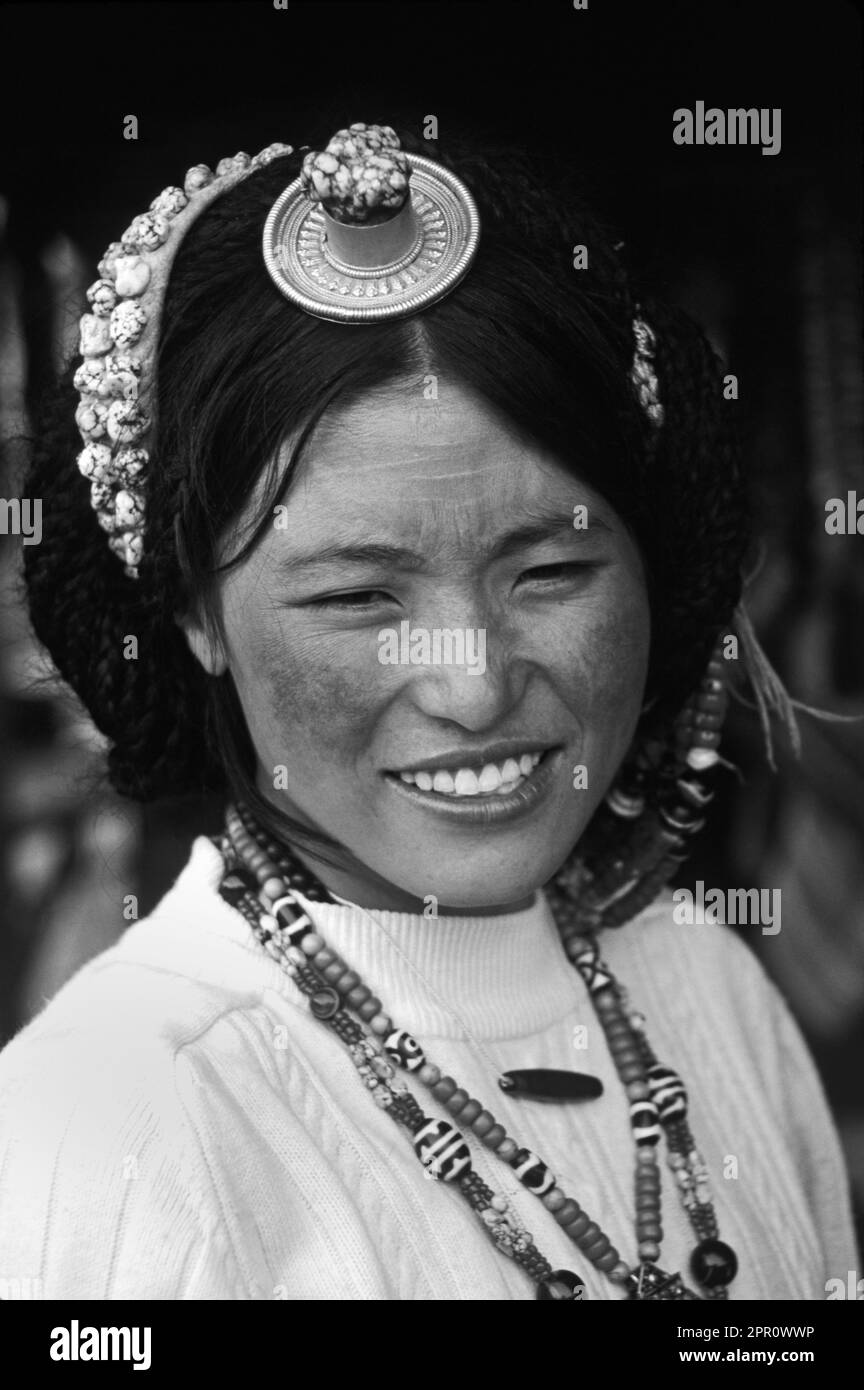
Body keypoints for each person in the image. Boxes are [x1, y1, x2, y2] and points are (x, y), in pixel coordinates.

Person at [0, 122, 856, 1300]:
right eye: (358, 595)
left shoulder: (710, 989)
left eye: (549, 574)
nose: (476, 685)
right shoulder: (113, 1136)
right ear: (193, 612)